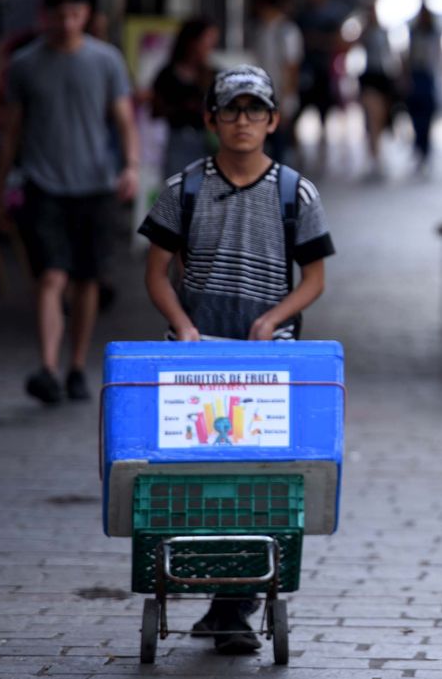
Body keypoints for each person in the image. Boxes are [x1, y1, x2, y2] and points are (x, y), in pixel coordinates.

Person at [137, 65, 335, 653]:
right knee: (195, 476)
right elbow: (155, 274)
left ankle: (233, 603)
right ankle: (214, 591)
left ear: (274, 120)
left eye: (255, 110)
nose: (243, 121)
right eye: (231, 110)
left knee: (261, 477)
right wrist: (182, 326)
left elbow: (315, 278)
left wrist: (275, 319)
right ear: (211, 120)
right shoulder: (184, 189)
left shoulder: (295, 192)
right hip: (194, 359)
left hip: (268, 362)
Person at [0, 0, 139, 404]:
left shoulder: (106, 61)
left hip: (95, 183)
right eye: (58, 15)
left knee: (88, 278)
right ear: (45, 16)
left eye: (75, 14)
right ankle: (48, 366)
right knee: (52, 274)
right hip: (43, 182)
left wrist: (130, 166)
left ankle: (76, 364)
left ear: (87, 14)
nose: (67, 23)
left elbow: (124, 119)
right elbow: (12, 130)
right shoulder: (24, 65)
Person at [294, 0, 347, 173]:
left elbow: (340, 41)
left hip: (325, 70)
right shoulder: (303, 13)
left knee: (325, 115)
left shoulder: (334, 11)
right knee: (299, 112)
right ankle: (301, 154)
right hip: (306, 70)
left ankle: (322, 154)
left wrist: (321, 42)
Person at [151, 17, 218, 178]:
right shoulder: (168, 75)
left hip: (206, 141)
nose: (209, 47)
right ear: (192, 42)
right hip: (178, 139)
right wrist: (183, 107)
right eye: (206, 41)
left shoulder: (212, 74)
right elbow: (156, 109)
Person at [250, 0, 303, 165]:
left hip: (279, 94)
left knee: (279, 142)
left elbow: (292, 66)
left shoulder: (286, 31)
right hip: (260, 93)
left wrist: (288, 98)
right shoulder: (260, 30)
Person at [356, 0, 399, 179]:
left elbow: (391, 54)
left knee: (381, 119)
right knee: (372, 118)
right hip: (369, 76)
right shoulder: (364, 32)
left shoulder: (384, 31)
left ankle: (377, 155)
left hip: (383, 76)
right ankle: (374, 157)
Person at [405, 4, 441, 175]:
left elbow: (437, 59)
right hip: (416, 78)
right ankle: (419, 149)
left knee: (426, 119)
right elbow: (408, 57)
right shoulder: (414, 34)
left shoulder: (434, 34)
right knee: (417, 119)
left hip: (428, 79)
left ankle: (425, 151)